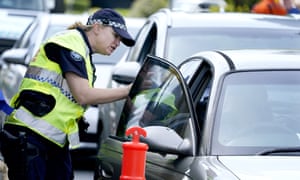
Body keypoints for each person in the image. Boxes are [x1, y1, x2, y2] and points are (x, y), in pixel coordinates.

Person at [0, 8, 134, 180]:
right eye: (116, 35)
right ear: (97, 27)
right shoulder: (71, 43)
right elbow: (83, 95)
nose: (118, 42)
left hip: (51, 141)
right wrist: (127, 91)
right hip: (30, 136)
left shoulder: (82, 51)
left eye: (121, 39)